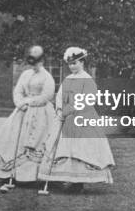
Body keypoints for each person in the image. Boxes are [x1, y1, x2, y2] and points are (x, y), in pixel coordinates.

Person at [38, 47, 115, 193]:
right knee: (62, 148)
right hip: (65, 118)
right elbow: (60, 96)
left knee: (81, 150)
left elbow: (87, 100)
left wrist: (68, 111)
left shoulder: (87, 80)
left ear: (82, 62)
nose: (72, 66)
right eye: (69, 64)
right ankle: (61, 178)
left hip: (82, 118)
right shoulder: (68, 79)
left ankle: (79, 182)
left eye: (75, 63)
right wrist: (60, 109)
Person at [0, 46, 55, 192]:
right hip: (22, 112)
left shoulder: (47, 77)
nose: (35, 65)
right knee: (11, 140)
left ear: (42, 60)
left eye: (37, 61)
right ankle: (10, 175)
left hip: (40, 113)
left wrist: (29, 103)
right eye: (32, 61)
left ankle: (32, 177)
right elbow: (18, 91)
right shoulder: (25, 74)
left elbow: (46, 96)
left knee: (36, 142)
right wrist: (20, 103)